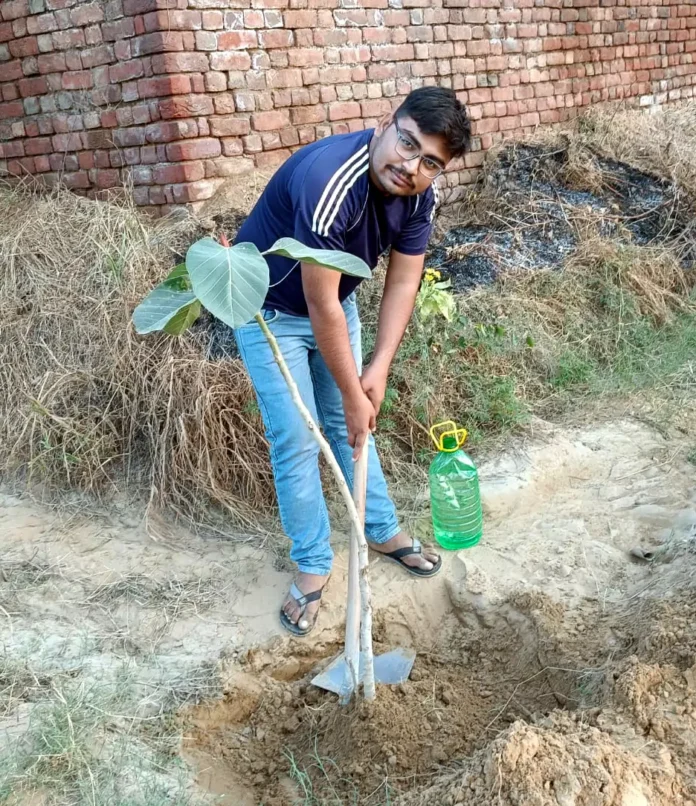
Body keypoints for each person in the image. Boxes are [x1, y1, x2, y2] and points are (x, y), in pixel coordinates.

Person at [232, 86, 471, 635]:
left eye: (430, 162)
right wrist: (351, 388)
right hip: (270, 311)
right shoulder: (330, 182)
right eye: (407, 144)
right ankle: (314, 564)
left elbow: (404, 280)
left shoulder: (419, 197)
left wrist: (377, 369)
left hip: (338, 306)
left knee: (352, 425)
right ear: (387, 123)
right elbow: (315, 302)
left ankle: (381, 529)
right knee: (296, 433)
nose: (411, 167)